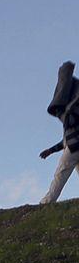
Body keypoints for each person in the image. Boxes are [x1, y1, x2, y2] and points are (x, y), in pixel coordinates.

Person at [40, 60, 79, 204]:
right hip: (73, 146)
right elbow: (66, 140)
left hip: (74, 148)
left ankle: (47, 202)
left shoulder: (72, 114)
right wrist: (51, 150)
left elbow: (71, 136)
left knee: (61, 173)